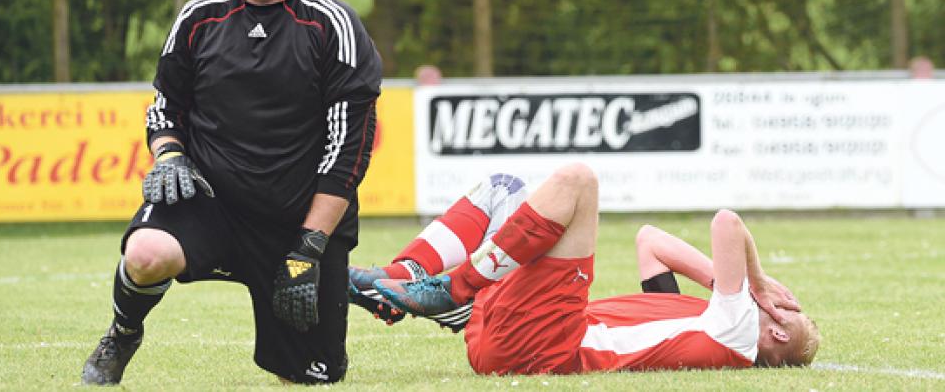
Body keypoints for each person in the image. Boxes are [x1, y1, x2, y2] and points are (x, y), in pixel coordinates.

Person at [82, 0, 382, 385]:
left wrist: (309, 246)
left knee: (313, 377)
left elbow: (347, 154)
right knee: (145, 252)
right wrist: (170, 155)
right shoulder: (199, 18)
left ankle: (322, 289)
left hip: (297, 220)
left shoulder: (333, 26)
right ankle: (122, 331)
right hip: (212, 202)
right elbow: (165, 104)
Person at [349, 164, 820, 374]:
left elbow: (727, 223)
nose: (779, 301)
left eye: (788, 309)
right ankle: (404, 278)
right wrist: (721, 283)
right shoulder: (703, 321)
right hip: (519, 336)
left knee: (578, 182)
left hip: (549, 343)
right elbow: (650, 241)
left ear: (777, 331)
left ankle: (455, 290)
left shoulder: (736, 335)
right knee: (503, 189)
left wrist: (755, 282)